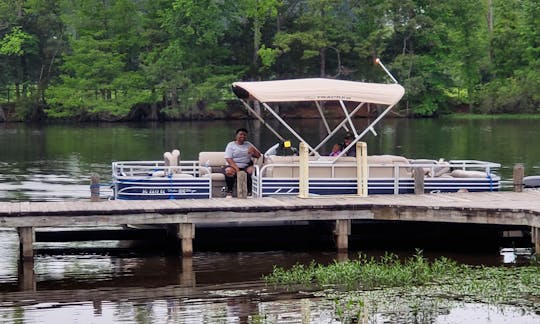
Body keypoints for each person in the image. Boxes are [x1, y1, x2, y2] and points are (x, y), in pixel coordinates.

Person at [224, 128, 261, 198]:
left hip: (246, 165)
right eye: (241, 134)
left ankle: (249, 192)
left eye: (244, 135)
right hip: (233, 165)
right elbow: (228, 159)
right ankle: (229, 192)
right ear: (236, 136)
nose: (243, 136)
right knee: (229, 171)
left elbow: (258, 155)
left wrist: (254, 151)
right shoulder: (231, 145)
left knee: (251, 170)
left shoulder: (248, 144)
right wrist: (237, 169)